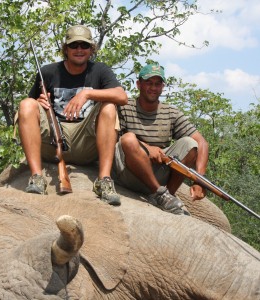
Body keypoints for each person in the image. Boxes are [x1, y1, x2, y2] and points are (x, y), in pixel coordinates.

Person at [18, 24, 128, 205]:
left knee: (109, 106)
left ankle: (104, 181)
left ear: (91, 49)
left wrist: (87, 94)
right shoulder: (47, 71)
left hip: (86, 143)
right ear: (65, 49)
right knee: (26, 105)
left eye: (84, 45)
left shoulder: (100, 70)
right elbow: (30, 106)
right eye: (74, 45)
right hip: (52, 142)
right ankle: (37, 177)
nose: (79, 49)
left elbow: (122, 96)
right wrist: (39, 103)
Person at [112, 64, 209, 215]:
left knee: (190, 144)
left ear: (162, 87)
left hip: (159, 170)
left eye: (158, 84)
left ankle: (166, 195)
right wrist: (146, 147)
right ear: (139, 84)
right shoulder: (125, 106)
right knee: (129, 139)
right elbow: (114, 138)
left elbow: (201, 142)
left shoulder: (171, 112)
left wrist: (199, 180)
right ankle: (159, 192)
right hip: (129, 171)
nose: (153, 88)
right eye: (149, 83)